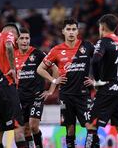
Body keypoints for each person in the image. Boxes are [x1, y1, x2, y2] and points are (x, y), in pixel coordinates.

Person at [37, 18, 94, 148]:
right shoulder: (56, 50)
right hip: (66, 95)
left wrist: (95, 80)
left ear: (78, 31)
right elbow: (40, 69)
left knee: (91, 126)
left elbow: (102, 61)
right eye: (68, 29)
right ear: (63, 31)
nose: (71, 32)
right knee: (70, 128)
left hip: (83, 94)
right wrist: (54, 80)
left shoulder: (87, 46)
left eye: (74, 29)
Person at [85, 14, 118, 148]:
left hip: (107, 89)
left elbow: (95, 60)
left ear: (102, 27)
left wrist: (97, 80)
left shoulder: (103, 42)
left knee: (91, 124)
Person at [15, 28, 57, 148]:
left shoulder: (37, 53)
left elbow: (55, 69)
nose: (24, 41)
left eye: (27, 38)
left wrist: (51, 90)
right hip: (19, 97)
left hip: (36, 96)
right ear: (16, 40)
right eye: (22, 38)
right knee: (26, 130)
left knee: (33, 126)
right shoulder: (12, 55)